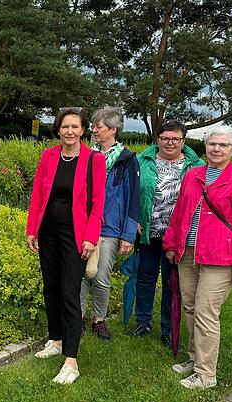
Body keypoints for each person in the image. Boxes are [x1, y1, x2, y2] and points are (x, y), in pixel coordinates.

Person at [163, 125, 232, 389]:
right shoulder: (193, 175)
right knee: (190, 307)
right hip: (189, 253)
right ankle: (195, 358)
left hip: (220, 256)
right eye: (212, 144)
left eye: (223, 145)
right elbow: (180, 213)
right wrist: (172, 243)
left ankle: (206, 375)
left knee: (206, 311)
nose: (216, 149)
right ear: (205, 147)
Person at [26, 107, 107, 384]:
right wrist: (32, 230)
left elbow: (98, 204)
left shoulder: (93, 160)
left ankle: (71, 362)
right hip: (47, 232)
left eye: (75, 127)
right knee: (51, 288)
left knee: (70, 293)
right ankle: (56, 340)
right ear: (58, 130)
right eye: (64, 127)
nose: (69, 132)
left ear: (83, 130)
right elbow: (38, 194)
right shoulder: (48, 156)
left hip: (76, 235)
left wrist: (91, 237)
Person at [131, 120, 204, 346]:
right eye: (165, 138)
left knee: (173, 283)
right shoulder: (142, 161)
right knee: (145, 277)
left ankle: (168, 327)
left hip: (178, 236)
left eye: (176, 139)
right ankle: (143, 322)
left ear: (183, 140)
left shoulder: (197, 166)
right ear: (158, 139)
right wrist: (133, 219)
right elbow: (131, 192)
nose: (170, 143)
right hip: (148, 232)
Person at [79, 107, 139, 340]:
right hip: (83, 226)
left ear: (113, 130)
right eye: (93, 126)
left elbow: (132, 197)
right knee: (81, 276)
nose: (94, 130)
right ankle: (78, 318)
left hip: (110, 228)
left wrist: (128, 234)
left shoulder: (126, 160)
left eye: (98, 127)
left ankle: (99, 320)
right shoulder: (86, 156)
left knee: (101, 276)